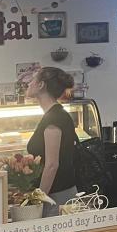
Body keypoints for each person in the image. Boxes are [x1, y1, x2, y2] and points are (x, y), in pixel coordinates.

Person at [25, 66, 79, 215]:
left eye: (33, 80)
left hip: (57, 198)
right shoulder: (56, 114)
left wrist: (38, 199)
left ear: (41, 85)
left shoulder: (54, 118)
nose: (29, 84)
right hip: (58, 194)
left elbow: (52, 165)